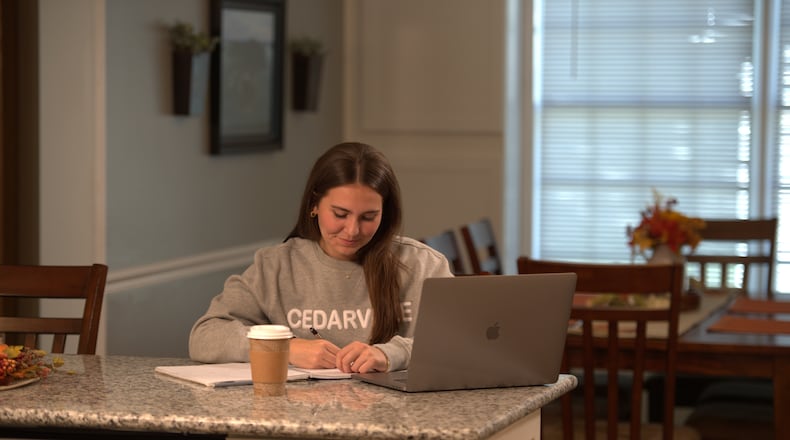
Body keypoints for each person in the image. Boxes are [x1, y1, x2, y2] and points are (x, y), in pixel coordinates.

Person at [189, 142, 453, 373]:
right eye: (340, 214)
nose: (352, 230)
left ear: (385, 214)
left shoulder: (422, 265)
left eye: (368, 217)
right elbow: (205, 336)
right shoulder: (275, 266)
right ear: (314, 205)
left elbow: (462, 342)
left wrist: (391, 354)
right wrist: (284, 349)